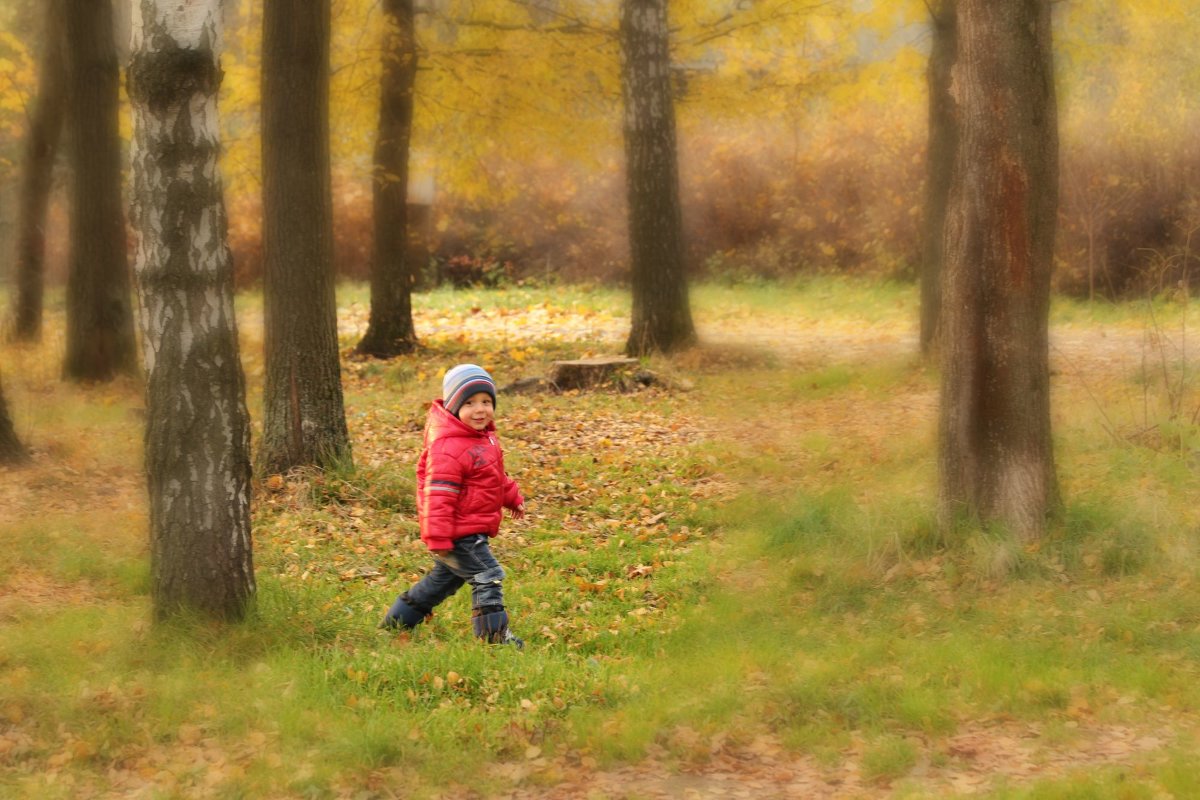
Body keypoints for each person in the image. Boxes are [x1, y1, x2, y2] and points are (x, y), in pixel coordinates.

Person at [381, 364, 526, 648]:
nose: (480, 409)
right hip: (459, 533)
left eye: (486, 401)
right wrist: (437, 536)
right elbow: (438, 495)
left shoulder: (484, 438)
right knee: (488, 574)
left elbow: (494, 476)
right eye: (469, 403)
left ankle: (397, 622)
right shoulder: (448, 447)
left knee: (443, 582)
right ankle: (494, 638)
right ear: (454, 406)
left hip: (467, 529)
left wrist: (513, 498)